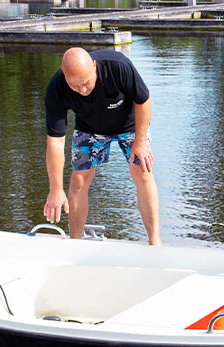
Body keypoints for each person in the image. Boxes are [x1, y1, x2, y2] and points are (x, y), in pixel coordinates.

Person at [43, 47, 160, 244]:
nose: (83, 90)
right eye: (75, 86)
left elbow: (143, 100)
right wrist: (55, 188)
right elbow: (55, 141)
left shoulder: (118, 66)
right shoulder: (56, 88)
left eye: (87, 82)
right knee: (79, 180)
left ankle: (155, 240)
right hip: (89, 127)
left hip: (130, 124)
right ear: (65, 76)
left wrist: (140, 141)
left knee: (143, 172)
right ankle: (75, 242)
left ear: (94, 67)